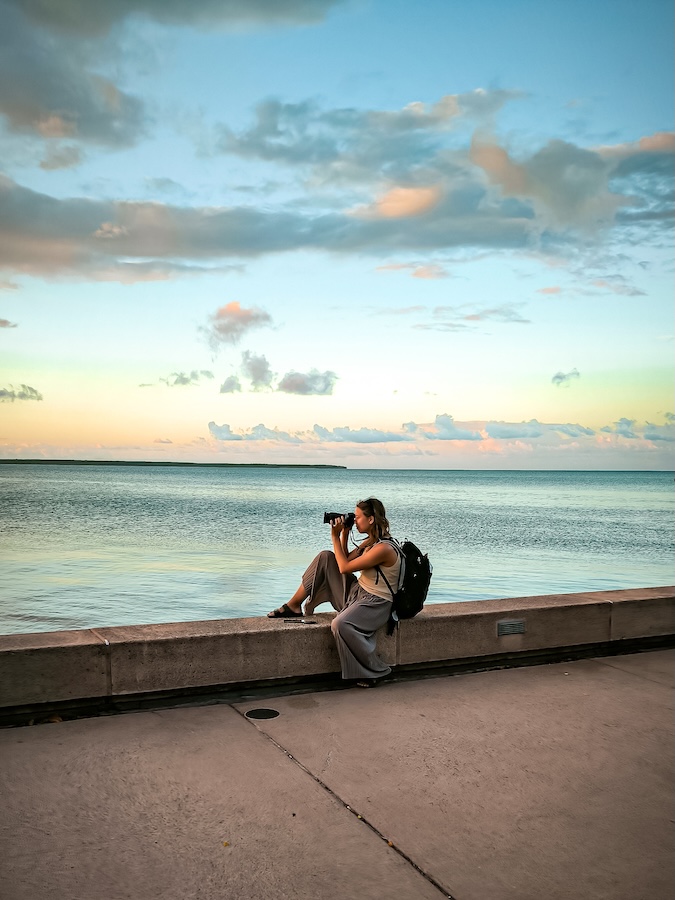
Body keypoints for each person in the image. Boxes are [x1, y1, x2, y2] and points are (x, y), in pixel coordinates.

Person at [267, 497, 400, 687]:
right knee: (325, 557)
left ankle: (374, 671)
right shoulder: (370, 542)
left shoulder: (384, 548)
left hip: (376, 603)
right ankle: (293, 605)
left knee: (339, 624)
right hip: (358, 593)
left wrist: (334, 537)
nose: (354, 521)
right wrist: (344, 534)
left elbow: (345, 568)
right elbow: (342, 561)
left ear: (371, 519)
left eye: (357, 517)